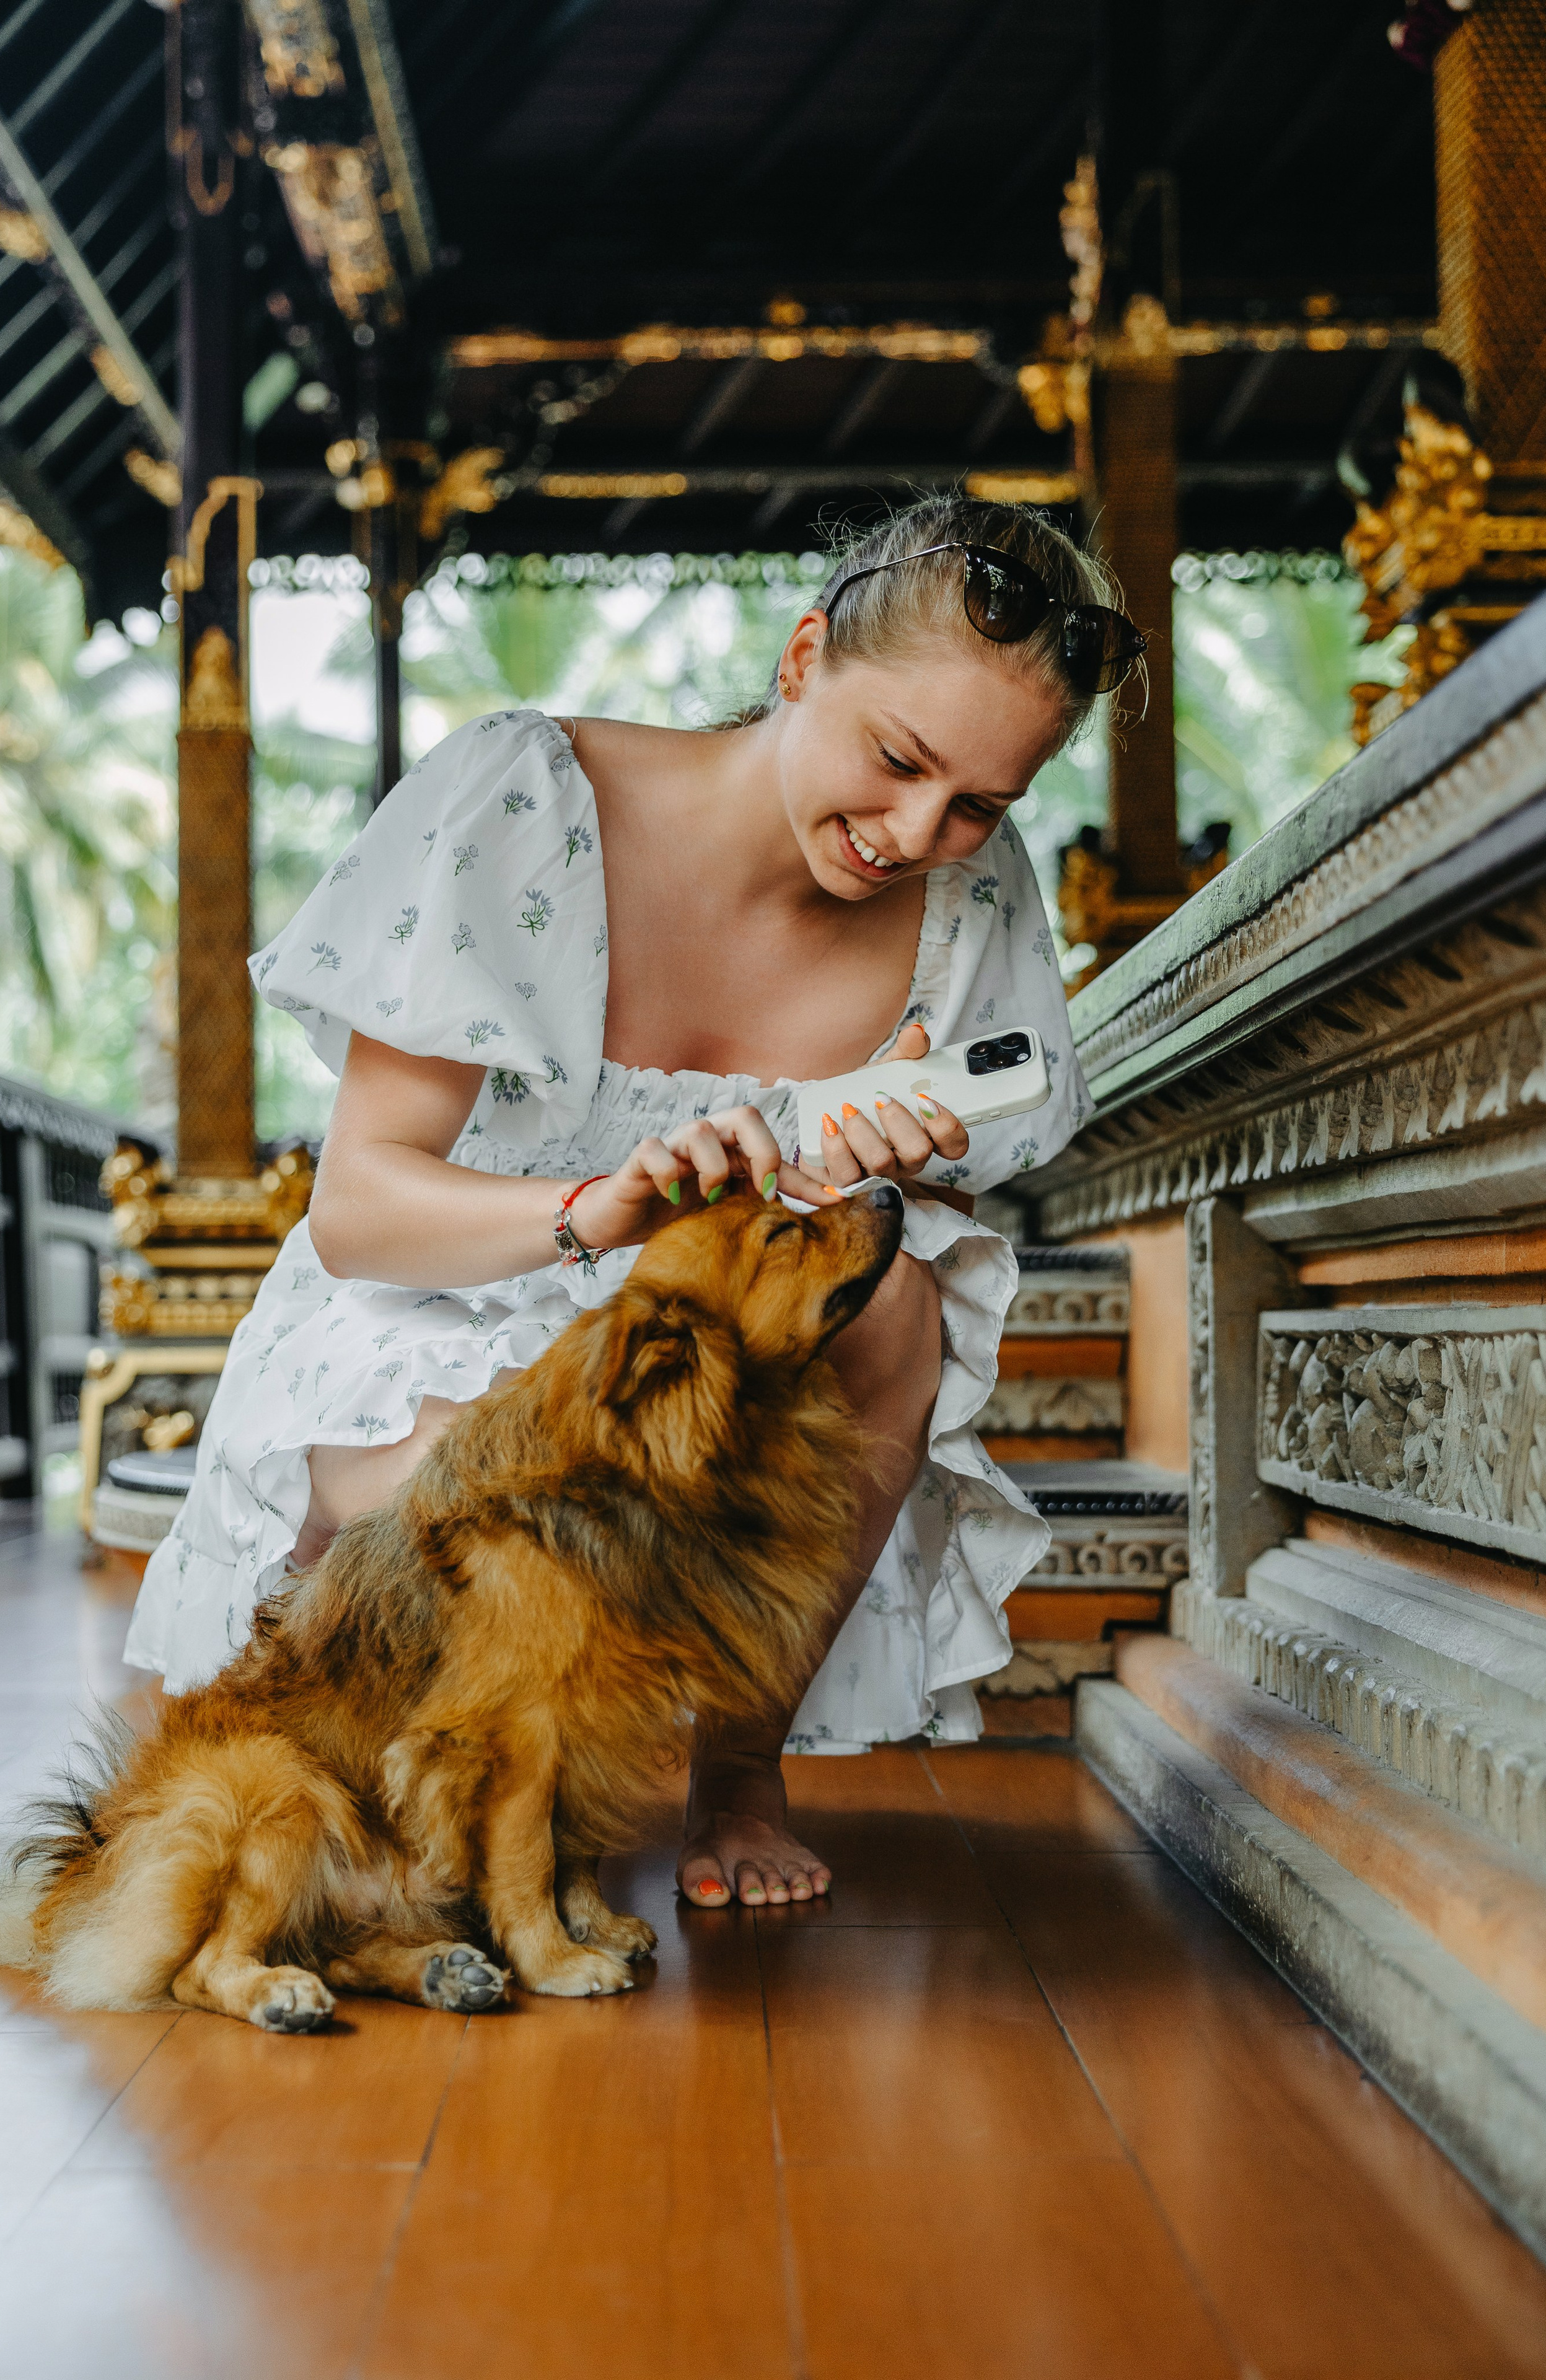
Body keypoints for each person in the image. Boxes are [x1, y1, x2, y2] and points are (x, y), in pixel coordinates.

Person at [125, 494, 1144, 1913]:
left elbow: (839, 1242)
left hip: (692, 1334)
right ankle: (419, 1767)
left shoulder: (966, 899)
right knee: (503, 1483)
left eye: (980, 803)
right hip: (447, 1297)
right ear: (803, 658)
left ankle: (740, 1774)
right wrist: (594, 1209)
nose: (919, 831)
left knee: (898, 1301)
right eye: (898, 759)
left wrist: (876, 1169)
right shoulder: (522, 796)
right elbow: (359, 1208)